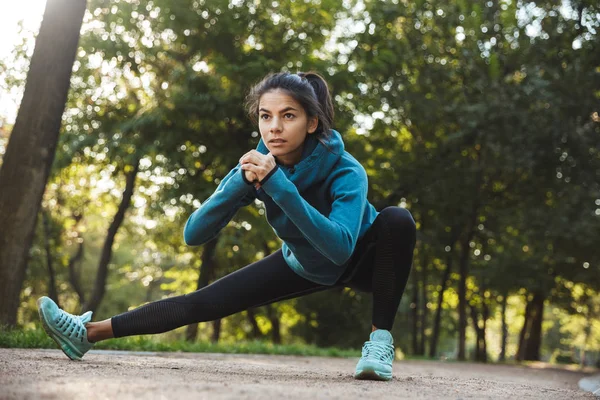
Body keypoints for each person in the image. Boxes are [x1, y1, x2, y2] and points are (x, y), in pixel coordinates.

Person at [37, 71, 416, 381]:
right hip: (304, 263)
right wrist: (238, 183)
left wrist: (279, 188)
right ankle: (88, 333)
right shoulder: (259, 165)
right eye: (265, 116)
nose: (274, 128)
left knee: (397, 219)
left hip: (367, 259)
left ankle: (378, 341)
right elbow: (193, 235)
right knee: (203, 301)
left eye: (288, 116)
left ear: (311, 122)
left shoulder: (345, 169)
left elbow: (340, 248)